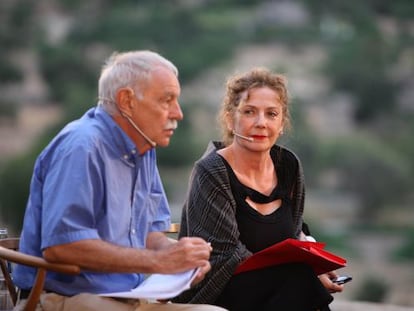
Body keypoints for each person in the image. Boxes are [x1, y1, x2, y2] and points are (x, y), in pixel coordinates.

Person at [13, 50, 226, 311]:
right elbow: (62, 247)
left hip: (127, 297)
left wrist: (182, 257)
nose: (178, 113)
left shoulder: (144, 148)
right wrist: (159, 262)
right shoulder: (82, 147)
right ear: (126, 101)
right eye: (166, 100)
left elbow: (148, 235)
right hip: (62, 298)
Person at [173, 68, 346, 310]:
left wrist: (316, 267)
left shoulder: (289, 165)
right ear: (229, 118)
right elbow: (224, 255)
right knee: (298, 280)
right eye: (249, 112)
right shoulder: (212, 171)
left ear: (282, 123)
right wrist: (303, 272)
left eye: (271, 114)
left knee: (299, 282)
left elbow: (294, 229)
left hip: (280, 290)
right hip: (218, 289)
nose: (261, 123)